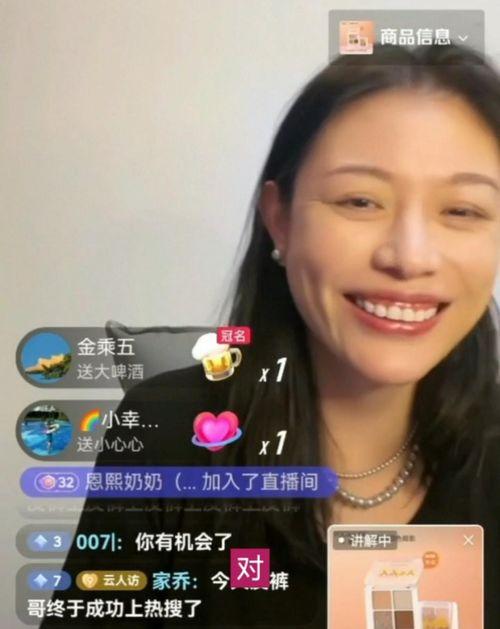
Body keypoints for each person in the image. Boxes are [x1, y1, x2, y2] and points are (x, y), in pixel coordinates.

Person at [40, 42, 500, 628]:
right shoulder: (166, 434)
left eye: (462, 211)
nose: (410, 257)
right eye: (361, 200)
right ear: (280, 219)